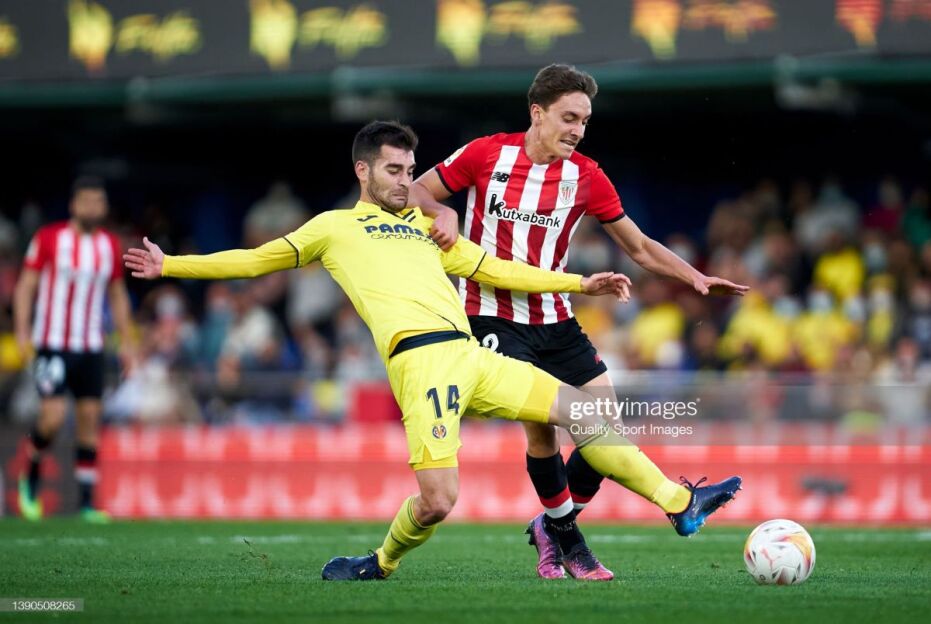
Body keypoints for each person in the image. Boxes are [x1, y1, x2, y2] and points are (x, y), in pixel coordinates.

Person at [124, 121, 741, 582]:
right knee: (440, 501)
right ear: (363, 171)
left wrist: (580, 283)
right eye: (394, 171)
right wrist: (170, 265)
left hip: (470, 353)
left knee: (584, 413)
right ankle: (381, 562)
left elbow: (497, 269)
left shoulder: (428, 228)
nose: (406, 182)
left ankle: (680, 505)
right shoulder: (332, 228)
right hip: (421, 366)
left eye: (410, 169)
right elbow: (254, 260)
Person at [410, 63, 749, 579]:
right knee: (544, 431)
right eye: (569, 118)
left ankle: (553, 526)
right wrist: (444, 212)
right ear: (537, 112)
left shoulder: (586, 176)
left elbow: (638, 246)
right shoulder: (486, 154)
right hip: (492, 316)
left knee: (605, 429)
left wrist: (695, 277)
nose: (578, 130)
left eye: (585, 121)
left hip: (556, 319)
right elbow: (417, 190)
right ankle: (575, 541)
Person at [14, 176, 135, 523]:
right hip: (52, 344)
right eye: (87, 201)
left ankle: (86, 503)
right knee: (53, 418)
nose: (93, 208)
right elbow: (26, 286)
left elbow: (117, 294)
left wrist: (127, 342)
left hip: (91, 345)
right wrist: (22, 331)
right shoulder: (49, 238)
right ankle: (31, 472)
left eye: (99, 201)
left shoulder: (109, 245)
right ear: (73, 205)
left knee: (89, 420)